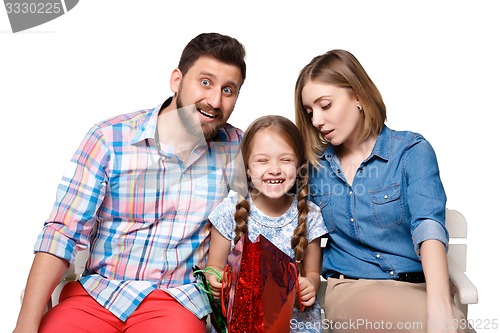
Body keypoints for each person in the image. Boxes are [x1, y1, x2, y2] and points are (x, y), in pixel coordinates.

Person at [14, 32, 248, 333]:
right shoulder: (109, 138)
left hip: (176, 301)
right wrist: (25, 324)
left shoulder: (238, 149)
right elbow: (62, 233)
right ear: (177, 80)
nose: (215, 101)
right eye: (205, 82)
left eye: (228, 90)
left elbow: (285, 193)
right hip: (97, 296)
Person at [294, 49, 467, 333]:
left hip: (419, 288)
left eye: (325, 105)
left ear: (358, 96)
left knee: (448, 325)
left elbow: (429, 227)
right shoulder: (314, 169)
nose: (315, 121)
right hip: (353, 289)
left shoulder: (411, 152)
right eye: (310, 112)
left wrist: (440, 306)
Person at [204, 115, 328, 333]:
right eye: (262, 161)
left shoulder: (310, 215)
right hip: (242, 322)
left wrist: (310, 285)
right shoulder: (229, 211)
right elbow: (213, 267)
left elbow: (312, 273)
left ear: (299, 166)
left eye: (285, 160)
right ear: (248, 169)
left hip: (294, 323)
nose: (275, 169)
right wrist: (214, 280)